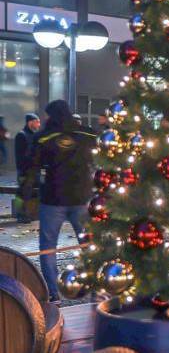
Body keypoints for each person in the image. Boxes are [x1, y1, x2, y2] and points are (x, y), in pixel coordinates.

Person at [20, 100, 97, 301]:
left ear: (52, 115)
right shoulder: (86, 135)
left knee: (48, 247)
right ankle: (96, 290)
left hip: (53, 200)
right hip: (81, 198)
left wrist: (26, 192)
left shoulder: (43, 138)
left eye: (47, 115)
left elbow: (31, 166)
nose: (45, 119)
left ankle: (55, 294)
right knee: (89, 245)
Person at [13, 114, 41, 223]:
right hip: (25, 171)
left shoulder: (34, 135)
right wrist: (23, 171)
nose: (39, 124)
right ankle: (20, 214)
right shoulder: (22, 135)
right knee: (23, 193)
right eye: (37, 122)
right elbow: (21, 156)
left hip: (35, 171)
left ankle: (32, 213)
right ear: (30, 122)